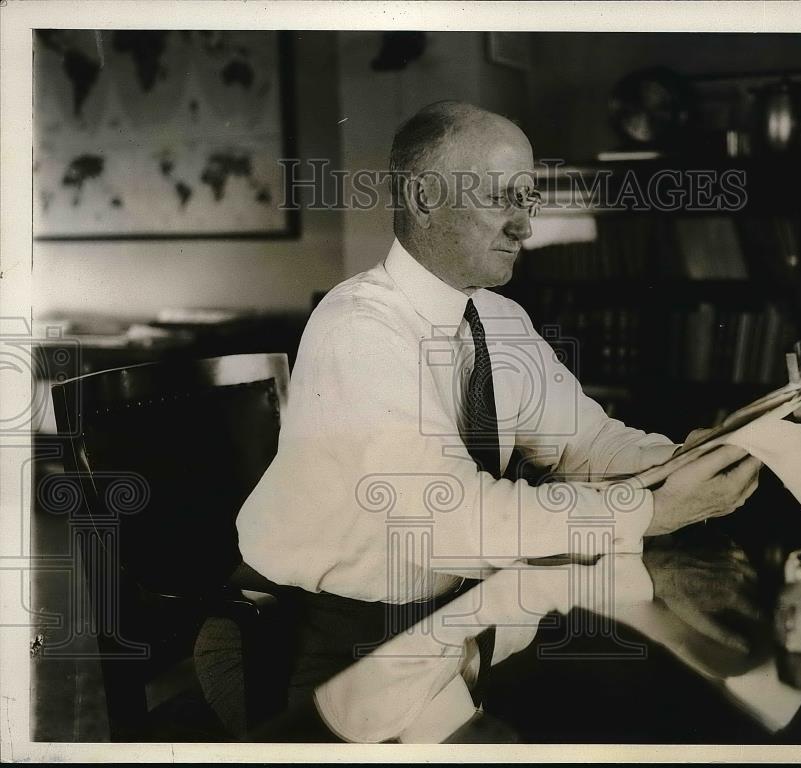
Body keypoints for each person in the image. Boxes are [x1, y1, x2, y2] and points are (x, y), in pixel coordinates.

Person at [231, 100, 762, 739]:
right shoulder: (359, 328)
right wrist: (652, 511)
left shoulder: (498, 320)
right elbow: (446, 517)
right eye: (503, 198)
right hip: (339, 643)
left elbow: (589, 443)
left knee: (672, 703)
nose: (525, 227)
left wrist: (687, 458)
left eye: (528, 199)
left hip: (459, 621)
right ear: (425, 198)